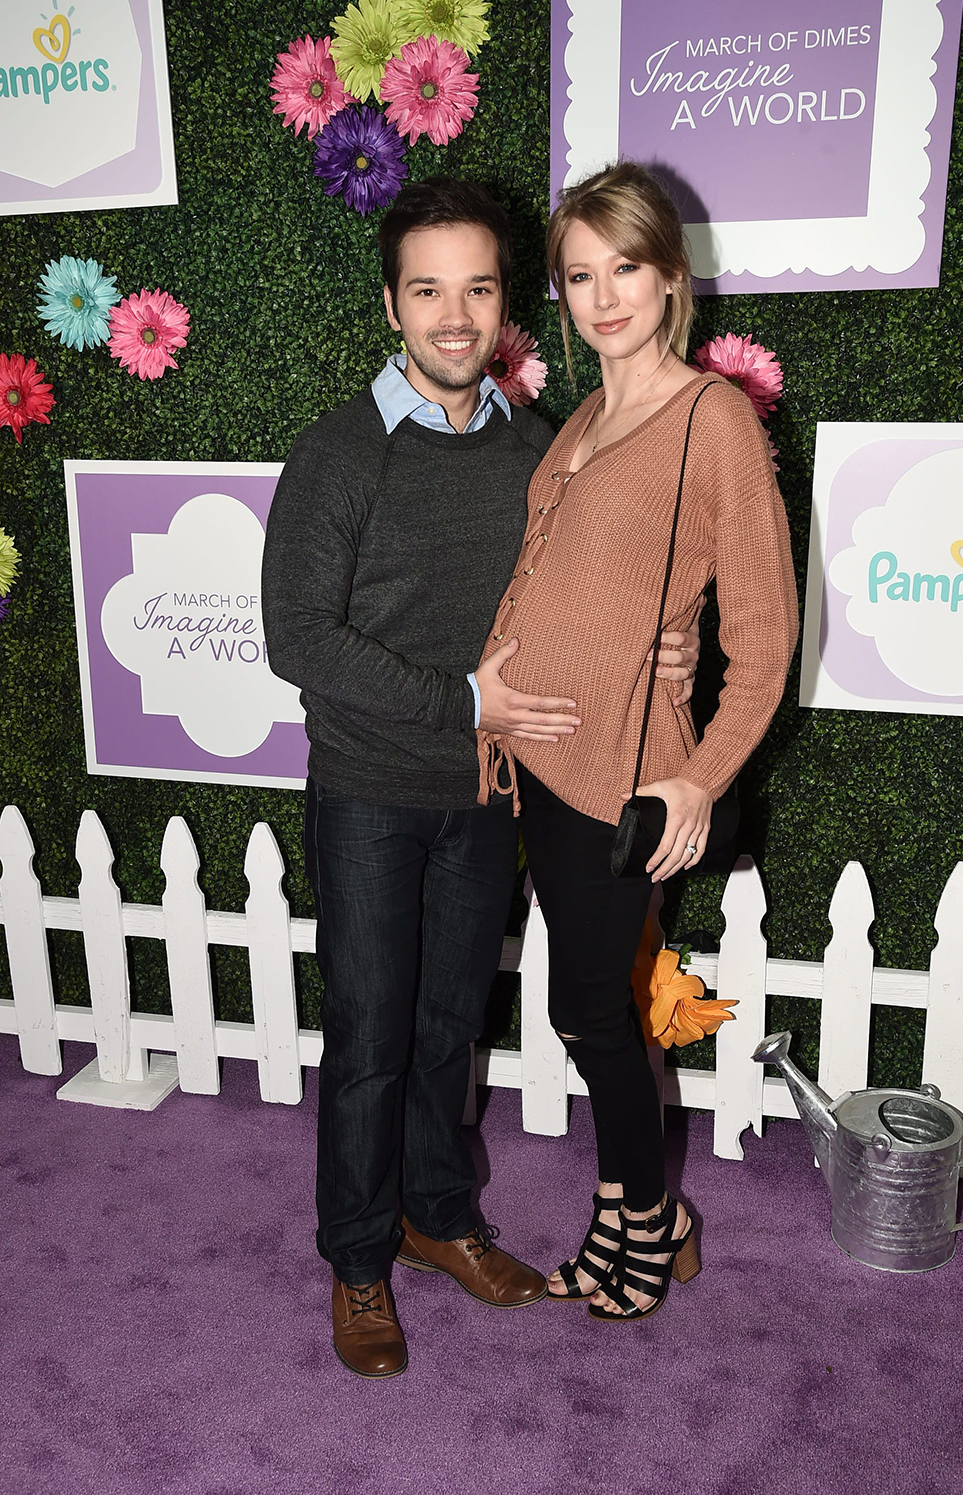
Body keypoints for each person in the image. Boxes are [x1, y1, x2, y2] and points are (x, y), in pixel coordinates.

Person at [261, 177, 700, 1377]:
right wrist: (462, 700)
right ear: (392, 304)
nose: (453, 315)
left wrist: (664, 641)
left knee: (452, 1023)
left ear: (508, 299)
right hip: (367, 789)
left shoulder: (537, 445)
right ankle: (358, 1257)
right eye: (426, 289)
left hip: (489, 796)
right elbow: (297, 637)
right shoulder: (340, 451)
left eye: (479, 286)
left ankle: (440, 1216)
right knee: (368, 1033)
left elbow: (597, 584)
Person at [477, 161, 799, 1321]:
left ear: (669, 278)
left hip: (627, 775)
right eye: (577, 274)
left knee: (587, 1013)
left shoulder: (710, 417)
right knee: (596, 1006)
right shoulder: (574, 420)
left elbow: (763, 639)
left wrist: (699, 774)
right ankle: (649, 1215)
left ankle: (642, 1223)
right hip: (540, 766)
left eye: (624, 268)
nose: (601, 295)